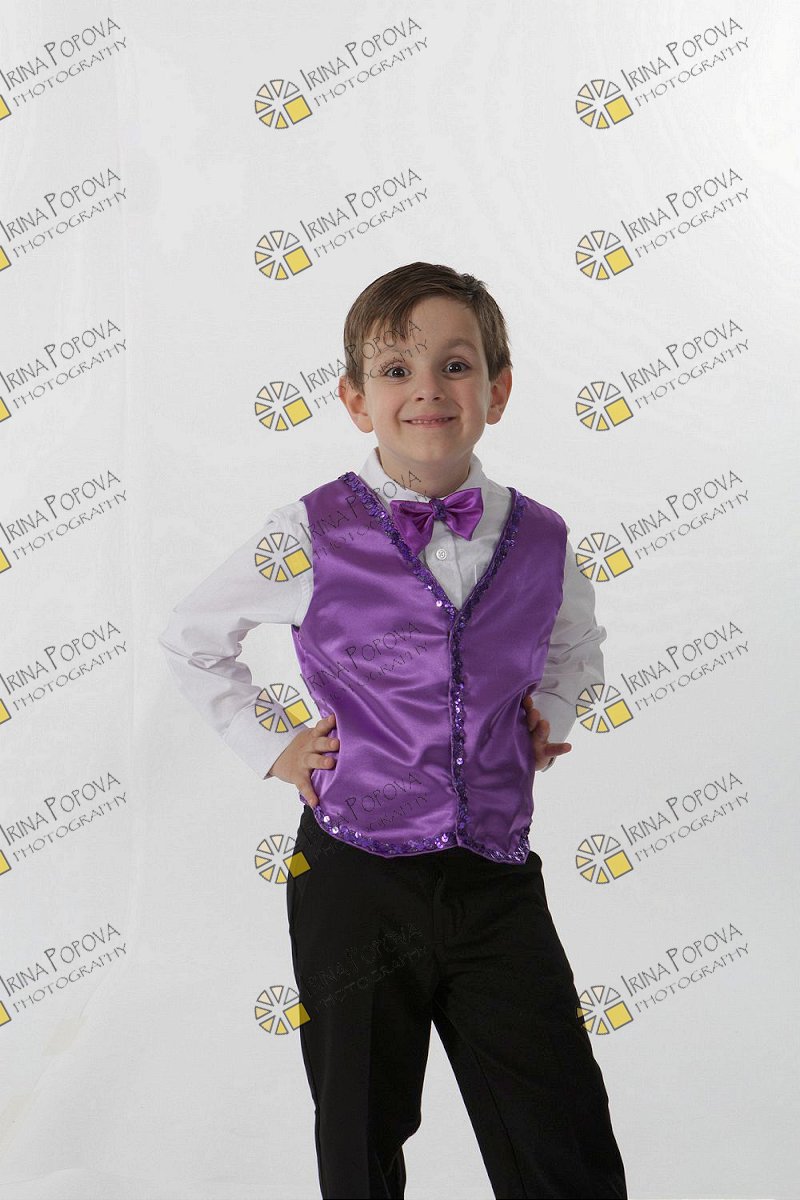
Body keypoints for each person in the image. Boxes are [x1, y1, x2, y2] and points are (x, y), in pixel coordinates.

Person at [158, 261, 629, 1199]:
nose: (427, 390)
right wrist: (275, 746)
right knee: (361, 1125)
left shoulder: (542, 537)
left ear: (497, 389)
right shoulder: (309, 529)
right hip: (354, 875)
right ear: (354, 398)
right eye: (395, 369)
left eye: (455, 366)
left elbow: (576, 646)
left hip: (495, 876)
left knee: (558, 1121)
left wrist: (552, 711)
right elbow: (192, 638)